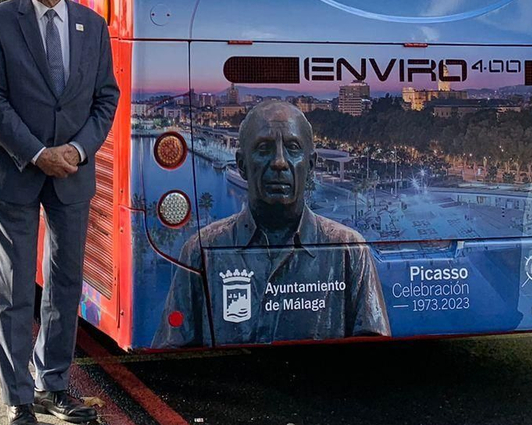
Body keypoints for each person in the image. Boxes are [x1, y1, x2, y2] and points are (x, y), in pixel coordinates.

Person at [0, 0, 118, 425]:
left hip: (72, 176)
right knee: (13, 291)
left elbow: (106, 98)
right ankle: (18, 399)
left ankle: (53, 382)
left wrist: (77, 151)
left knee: (65, 284)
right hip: (16, 170)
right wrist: (39, 153)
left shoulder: (92, 27)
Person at [153, 99, 390, 348]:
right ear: (242, 165)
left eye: (293, 148)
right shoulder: (200, 251)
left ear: (310, 165)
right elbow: (170, 353)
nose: (279, 162)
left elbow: (373, 358)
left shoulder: (350, 251)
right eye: (264, 149)